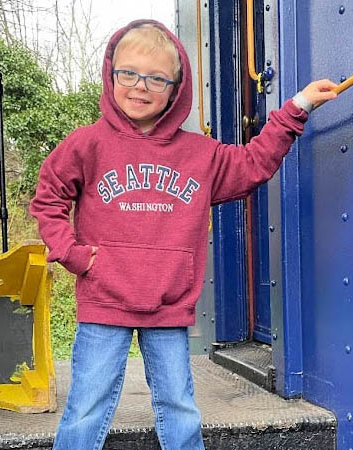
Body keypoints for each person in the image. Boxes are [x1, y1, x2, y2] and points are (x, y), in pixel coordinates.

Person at [29, 19, 338, 450]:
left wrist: (297, 106)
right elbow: (48, 201)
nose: (140, 86)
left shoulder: (200, 155)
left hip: (168, 303)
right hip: (104, 300)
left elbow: (253, 165)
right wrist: (74, 255)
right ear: (111, 73)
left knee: (178, 406)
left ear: (176, 89)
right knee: (86, 407)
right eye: (129, 73)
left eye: (157, 78)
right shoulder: (86, 145)